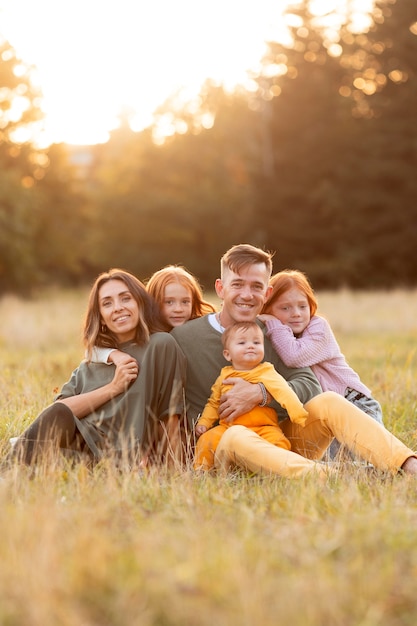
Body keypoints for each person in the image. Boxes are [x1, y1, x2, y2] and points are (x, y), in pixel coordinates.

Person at [171, 243, 417, 479]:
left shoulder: (271, 332)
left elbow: (310, 385)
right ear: (221, 288)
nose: (247, 295)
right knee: (236, 435)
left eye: (256, 286)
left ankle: (406, 464)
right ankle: (332, 477)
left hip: (276, 438)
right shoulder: (184, 338)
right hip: (222, 446)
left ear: (267, 293)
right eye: (237, 284)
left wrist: (262, 393)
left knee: (329, 401)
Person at [9, 269, 186, 468]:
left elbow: (169, 414)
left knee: (39, 461)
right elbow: (59, 413)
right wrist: (113, 388)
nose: (117, 308)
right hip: (77, 445)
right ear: (101, 316)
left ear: (140, 303)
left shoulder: (160, 345)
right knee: (44, 458)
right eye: (107, 303)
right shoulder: (91, 362)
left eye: (125, 298)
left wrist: (174, 472)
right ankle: (11, 469)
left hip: (115, 456)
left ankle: (17, 460)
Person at [258, 269, 383, 458]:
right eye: (285, 308)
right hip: (321, 417)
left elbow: (294, 356)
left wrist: (274, 323)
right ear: (268, 308)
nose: (296, 314)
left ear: (311, 306)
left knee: (366, 463)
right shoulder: (274, 337)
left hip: (354, 405)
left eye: (302, 306)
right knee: (327, 464)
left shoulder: (318, 327)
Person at [194, 321, 308, 470]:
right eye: (242, 342)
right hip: (229, 428)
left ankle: (278, 471)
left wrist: (298, 413)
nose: (250, 346)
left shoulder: (266, 371)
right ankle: (201, 471)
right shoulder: (225, 376)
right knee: (207, 440)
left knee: (278, 442)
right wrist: (204, 423)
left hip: (264, 428)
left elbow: (284, 392)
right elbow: (214, 403)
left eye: (256, 342)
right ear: (227, 354)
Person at [91, 264, 215, 365]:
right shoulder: (146, 334)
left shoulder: (198, 329)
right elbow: (91, 351)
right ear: (153, 302)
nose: (178, 309)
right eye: (169, 302)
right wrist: (113, 354)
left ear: (193, 302)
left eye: (185, 302)